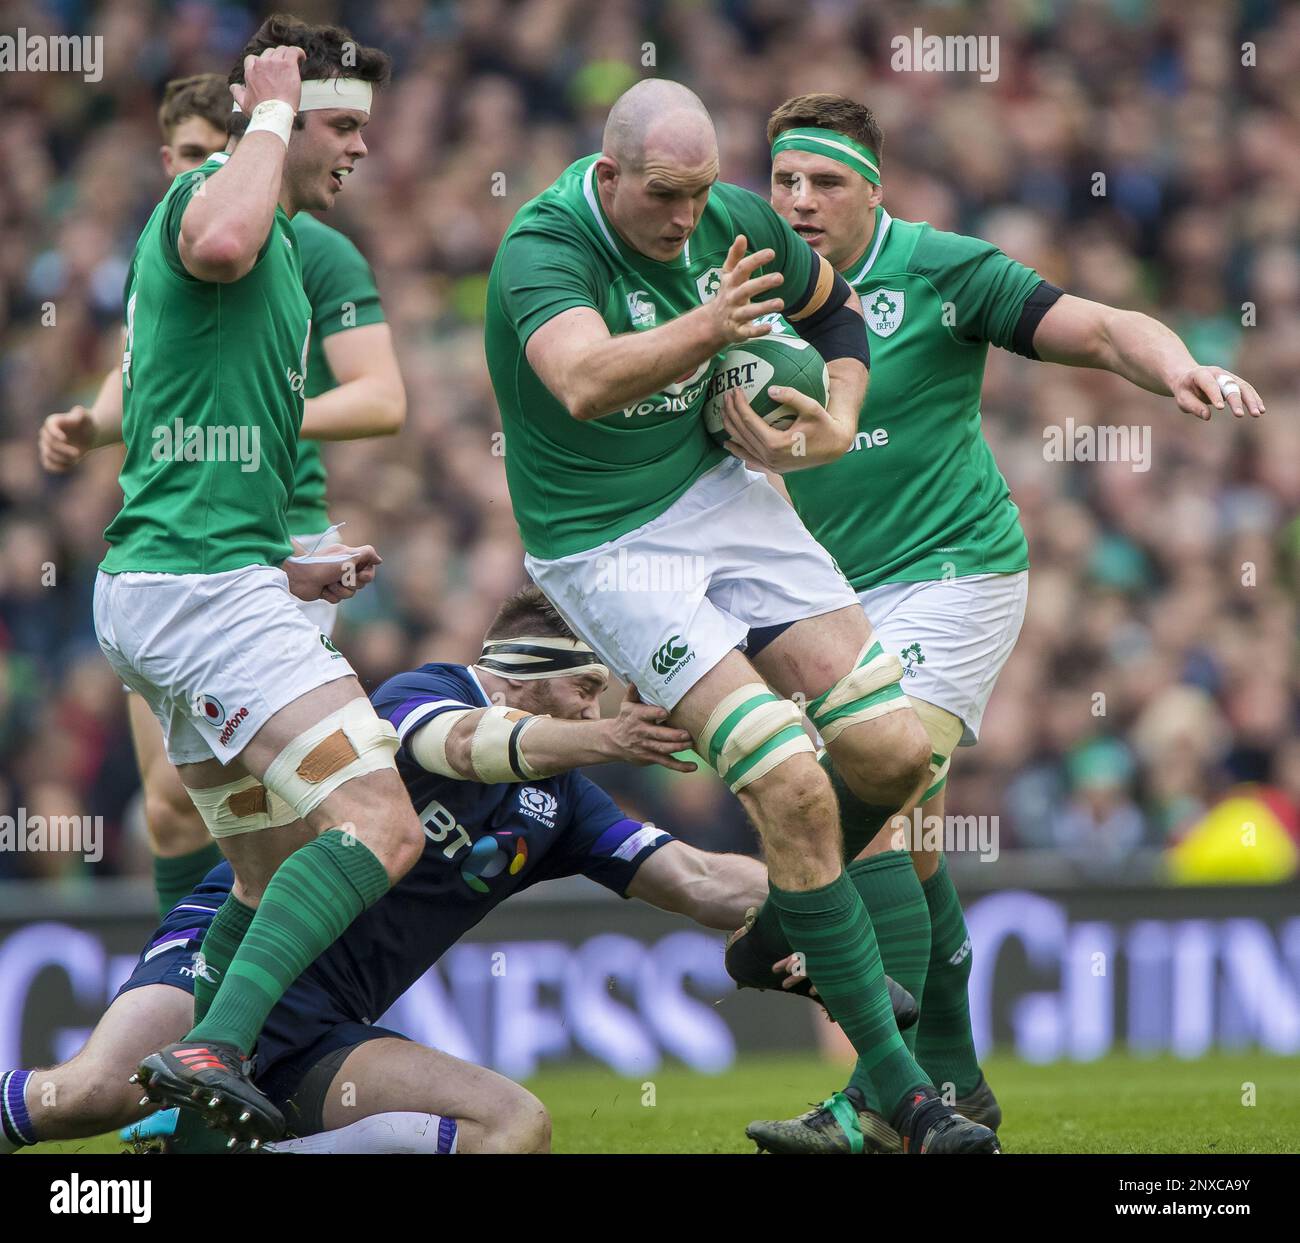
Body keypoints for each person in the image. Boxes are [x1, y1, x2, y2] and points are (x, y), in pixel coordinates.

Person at [739, 91, 1264, 1154]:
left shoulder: (941, 269)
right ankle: (959, 1085)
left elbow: (1102, 325)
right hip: (829, 598)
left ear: (871, 190)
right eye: (784, 179)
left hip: (956, 572)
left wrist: (1177, 367)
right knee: (918, 845)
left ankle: (878, 1095)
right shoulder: (742, 286)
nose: (797, 201)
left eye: (824, 182)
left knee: (874, 789)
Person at [485, 77, 997, 1153]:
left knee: (897, 753)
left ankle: (775, 930)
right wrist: (708, 324)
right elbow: (581, 380)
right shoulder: (544, 244)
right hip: (607, 543)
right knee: (787, 779)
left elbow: (835, 310)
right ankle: (904, 1098)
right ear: (610, 174)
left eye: (702, 194)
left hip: (723, 493)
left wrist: (835, 416)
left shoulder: (732, 216)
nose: (687, 219)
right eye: (665, 198)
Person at [1, 588, 829, 1156]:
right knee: (82, 1100)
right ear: (524, 671)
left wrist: (825, 891)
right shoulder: (422, 691)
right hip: (227, 960)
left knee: (514, 1127)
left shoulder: (565, 802)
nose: (594, 712)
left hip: (326, 1022)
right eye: (585, 688)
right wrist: (611, 739)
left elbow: (698, 878)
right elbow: (461, 747)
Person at [91, 16, 420, 1144]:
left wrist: (294, 564)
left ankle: (172, 1112)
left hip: (193, 585)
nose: (359, 149)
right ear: (275, 123)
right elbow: (221, 240)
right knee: (383, 825)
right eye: (340, 123)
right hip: (197, 601)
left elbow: (198, 458)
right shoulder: (211, 212)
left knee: (266, 871)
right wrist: (270, 111)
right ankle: (216, 1046)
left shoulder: (287, 258)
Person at [39, 71, 405, 920]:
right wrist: (92, 426)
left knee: (303, 835)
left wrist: (268, 428)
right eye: (194, 158)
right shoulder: (194, 224)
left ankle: (221, 1033)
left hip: (261, 550)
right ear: (173, 159)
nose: (208, 172)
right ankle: (206, 1027)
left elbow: (384, 400)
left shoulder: (313, 246)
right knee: (201, 817)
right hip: (206, 571)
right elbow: (148, 377)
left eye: (220, 154)